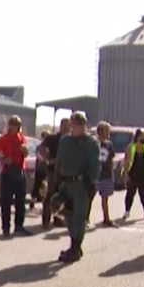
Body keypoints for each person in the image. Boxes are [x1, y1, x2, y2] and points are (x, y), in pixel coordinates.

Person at [54, 112, 100, 263]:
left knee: (79, 217)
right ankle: (75, 246)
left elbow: (95, 165)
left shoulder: (90, 142)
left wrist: (91, 182)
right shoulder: (65, 140)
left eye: (79, 124)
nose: (75, 127)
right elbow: (59, 160)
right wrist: (57, 178)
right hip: (66, 183)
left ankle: (75, 248)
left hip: (81, 184)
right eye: (73, 124)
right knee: (68, 214)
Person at [0, 116, 32, 237]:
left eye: (17, 124)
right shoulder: (4, 139)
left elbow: (26, 154)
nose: (15, 126)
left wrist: (25, 150)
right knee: (6, 201)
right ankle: (6, 227)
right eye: (13, 124)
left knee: (20, 201)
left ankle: (19, 225)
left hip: (20, 170)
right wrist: (3, 159)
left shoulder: (22, 138)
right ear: (9, 125)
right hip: (8, 171)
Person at [39, 117, 70, 229]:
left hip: (67, 171)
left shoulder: (71, 139)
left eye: (69, 126)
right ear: (61, 126)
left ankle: (58, 218)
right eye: (66, 126)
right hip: (54, 170)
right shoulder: (53, 138)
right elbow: (41, 148)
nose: (68, 128)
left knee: (64, 195)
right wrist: (47, 158)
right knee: (51, 193)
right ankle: (46, 219)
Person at [122, 128, 144, 220]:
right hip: (133, 174)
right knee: (130, 193)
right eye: (142, 136)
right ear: (137, 137)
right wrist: (125, 175)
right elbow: (126, 162)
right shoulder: (130, 147)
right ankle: (127, 211)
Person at [95, 122, 116, 227]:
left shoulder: (109, 144)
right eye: (107, 131)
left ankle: (106, 218)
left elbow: (111, 159)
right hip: (95, 174)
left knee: (105, 198)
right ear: (100, 132)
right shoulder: (94, 143)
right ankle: (85, 219)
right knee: (89, 197)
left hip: (106, 174)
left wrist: (111, 173)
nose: (108, 133)